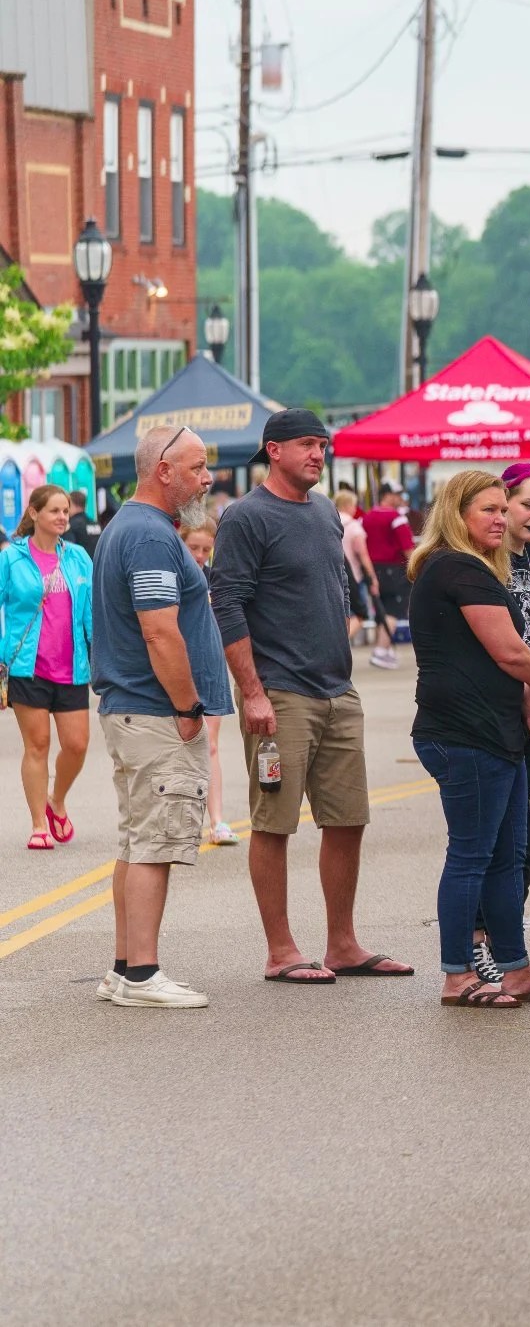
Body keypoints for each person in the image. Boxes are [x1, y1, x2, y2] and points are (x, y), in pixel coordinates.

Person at [212, 409, 405, 984]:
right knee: (274, 823)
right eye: (306, 445)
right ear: (273, 450)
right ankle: (281, 950)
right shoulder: (246, 517)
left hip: (337, 691)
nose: (318, 455)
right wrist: (252, 693)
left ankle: (342, 943)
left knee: (348, 820)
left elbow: (334, 590)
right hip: (280, 695)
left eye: (323, 445)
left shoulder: (325, 511)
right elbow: (227, 605)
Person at [408, 472, 530, 1008]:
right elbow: (510, 651)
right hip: (464, 733)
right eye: (490, 510)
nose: (502, 519)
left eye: (505, 509)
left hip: (497, 731)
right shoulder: (458, 567)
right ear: (458, 514)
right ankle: (457, 975)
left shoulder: (477, 567)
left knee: (508, 855)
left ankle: (516, 970)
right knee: (473, 856)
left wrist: (527, 702)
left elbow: (499, 657)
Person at [90, 425, 232, 1008]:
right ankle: (142, 976)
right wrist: (188, 707)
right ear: (163, 470)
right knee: (154, 846)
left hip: (133, 709)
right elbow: (159, 628)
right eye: (198, 468)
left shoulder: (131, 526)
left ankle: (124, 968)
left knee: (137, 841)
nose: (207, 478)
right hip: (154, 712)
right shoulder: (150, 535)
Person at [2, 484, 94, 850]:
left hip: (72, 665)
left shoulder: (78, 558)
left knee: (77, 744)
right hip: (28, 666)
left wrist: (100, 652)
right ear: (34, 513)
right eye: (54, 510)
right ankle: (39, 824)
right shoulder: (11, 559)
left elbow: (90, 613)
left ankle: (56, 801)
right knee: (37, 745)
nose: (61, 517)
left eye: (65, 511)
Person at [177, 518, 238, 846]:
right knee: (177, 744)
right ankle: (181, 820)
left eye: (205, 549)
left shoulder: (215, 581)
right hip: (177, 669)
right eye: (193, 548)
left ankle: (217, 821)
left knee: (209, 744)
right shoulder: (171, 579)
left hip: (210, 667)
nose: (199, 555)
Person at [333, 489, 395, 660]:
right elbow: (363, 555)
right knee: (360, 615)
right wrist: (372, 576)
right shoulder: (354, 527)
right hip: (354, 577)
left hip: (333, 575)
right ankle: (338, 646)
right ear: (348, 505)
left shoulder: (330, 521)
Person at [361, 482, 413, 668]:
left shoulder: (367, 517)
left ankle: (384, 648)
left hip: (373, 568)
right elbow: (407, 547)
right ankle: (382, 650)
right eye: (397, 493)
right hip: (394, 569)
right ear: (387, 495)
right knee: (394, 609)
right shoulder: (397, 518)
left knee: (381, 608)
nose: (400, 497)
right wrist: (416, 567)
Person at [63, 489, 93, 557]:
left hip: (81, 565)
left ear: (72, 504)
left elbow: (67, 551)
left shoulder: (71, 525)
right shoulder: (96, 524)